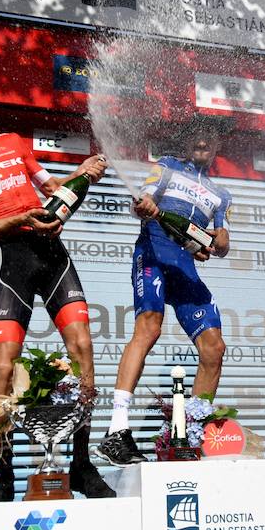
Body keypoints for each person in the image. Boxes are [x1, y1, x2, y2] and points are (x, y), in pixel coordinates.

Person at [0, 75, 115, 501]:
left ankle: (82, 465)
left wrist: (83, 176)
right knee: (1, 368)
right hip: (11, 260)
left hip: (52, 255)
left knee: (83, 348)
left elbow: (54, 192)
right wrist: (18, 220)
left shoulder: (14, 141)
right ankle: (5, 475)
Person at [95, 125, 232, 466]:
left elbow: (223, 245)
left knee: (214, 348)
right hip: (153, 253)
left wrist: (213, 241)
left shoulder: (221, 193)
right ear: (188, 142)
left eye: (208, 137)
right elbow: (142, 202)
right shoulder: (168, 164)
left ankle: (190, 436)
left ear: (216, 144)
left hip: (185, 267)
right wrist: (145, 207)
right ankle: (116, 430)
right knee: (148, 330)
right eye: (196, 137)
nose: (202, 141)